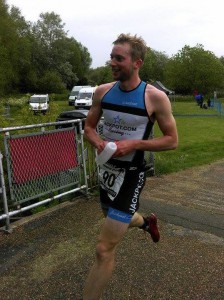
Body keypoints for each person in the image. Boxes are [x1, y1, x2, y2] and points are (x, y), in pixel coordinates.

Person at [83, 33, 178, 300]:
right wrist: (99, 142)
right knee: (111, 214)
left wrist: (133, 145)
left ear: (137, 62)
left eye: (119, 58)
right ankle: (146, 223)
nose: (112, 62)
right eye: (111, 56)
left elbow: (172, 141)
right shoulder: (103, 92)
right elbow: (88, 128)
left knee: (103, 249)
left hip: (132, 174)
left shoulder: (154, 97)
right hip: (107, 170)